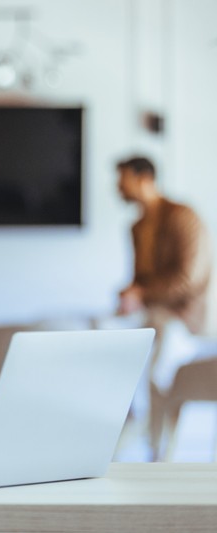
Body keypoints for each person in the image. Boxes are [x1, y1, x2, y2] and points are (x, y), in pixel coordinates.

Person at [115, 155, 212, 457]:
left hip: (184, 319)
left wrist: (141, 293)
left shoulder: (182, 217)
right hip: (151, 316)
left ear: (144, 179)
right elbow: (139, 280)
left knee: (160, 367)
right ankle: (128, 426)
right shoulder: (137, 227)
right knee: (109, 341)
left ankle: (156, 446)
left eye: (123, 179)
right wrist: (130, 296)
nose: (117, 187)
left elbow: (188, 277)